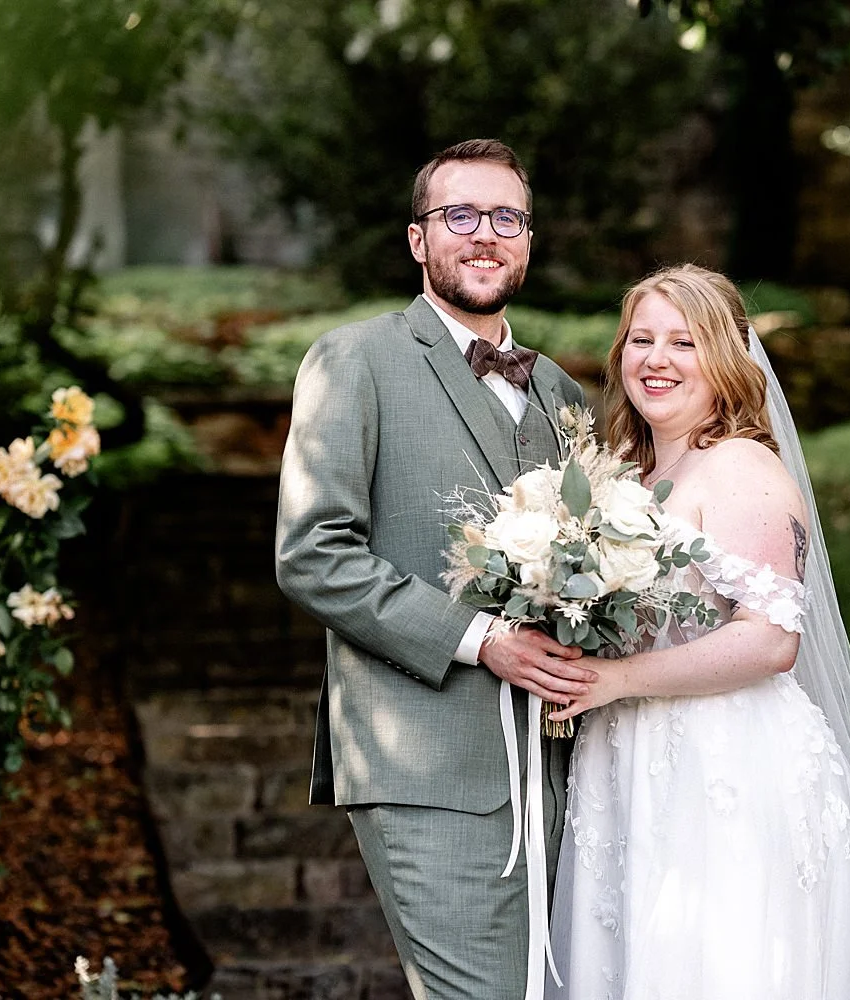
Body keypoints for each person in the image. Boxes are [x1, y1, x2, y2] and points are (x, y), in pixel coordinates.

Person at [545, 264, 850, 999]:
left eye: (684, 343)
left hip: (722, 766)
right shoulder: (626, 472)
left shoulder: (741, 466)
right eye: (641, 339)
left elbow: (769, 640)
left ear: (726, 358)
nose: (656, 360)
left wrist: (615, 680)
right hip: (628, 758)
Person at [275, 139, 593, 1000]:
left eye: (506, 218)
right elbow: (313, 554)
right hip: (426, 763)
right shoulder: (356, 361)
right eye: (459, 215)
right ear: (419, 240)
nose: (484, 235)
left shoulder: (564, 394)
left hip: (563, 770)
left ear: (528, 238)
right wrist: (480, 639)